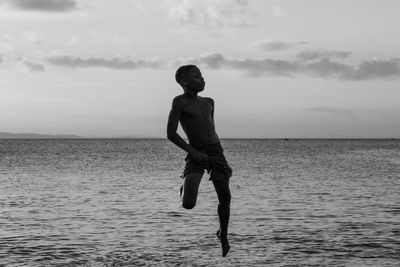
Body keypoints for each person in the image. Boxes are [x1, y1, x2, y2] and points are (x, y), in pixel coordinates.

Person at [167, 65, 232, 257]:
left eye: (202, 75)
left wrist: (221, 160)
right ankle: (183, 188)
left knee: (225, 198)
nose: (203, 79)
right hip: (196, 151)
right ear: (185, 82)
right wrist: (192, 151)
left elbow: (210, 129)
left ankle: (224, 234)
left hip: (216, 151)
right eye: (197, 76)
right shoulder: (180, 102)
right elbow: (170, 133)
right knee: (188, 204)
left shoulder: (209, 102)